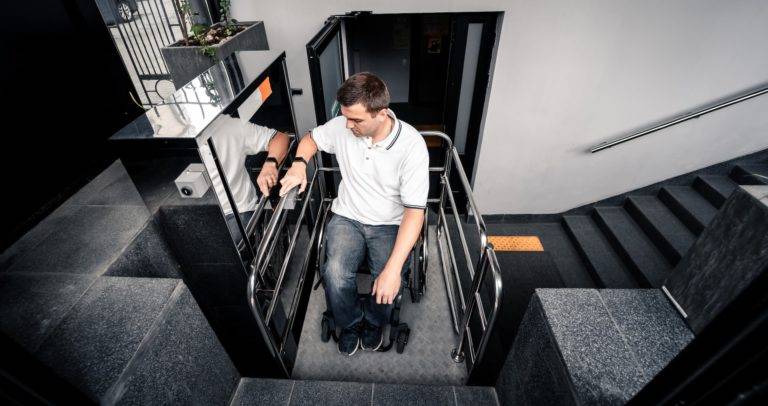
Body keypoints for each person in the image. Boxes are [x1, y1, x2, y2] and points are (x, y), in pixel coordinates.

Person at [279, 72, 429, 356]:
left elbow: (414, 213)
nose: (348, 125)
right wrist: (299, 163)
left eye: (356, 120)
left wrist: (394, 269)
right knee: (334, 273)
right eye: (345, 117)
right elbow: (311, 139)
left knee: (387, 279)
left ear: (382, 114)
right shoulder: (342, 126)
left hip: (389, 223)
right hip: (347, 217)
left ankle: (373, 323)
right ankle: (350, 324)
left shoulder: (412, 147)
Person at [200, 116, 290, 242]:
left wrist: (270, 164)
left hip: (236, 210)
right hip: (191, 213)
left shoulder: (227, 125)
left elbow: (280, 138)